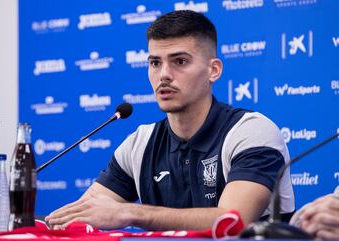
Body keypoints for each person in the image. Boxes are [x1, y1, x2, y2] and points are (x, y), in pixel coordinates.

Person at [46, 10, 294, 231]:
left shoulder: (251, 132)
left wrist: (131, 212)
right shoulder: (139, 144)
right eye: (155, 63)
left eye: (180, 61)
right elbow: (85, 213)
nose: (164, 75)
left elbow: (231, 219)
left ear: (213, 70)